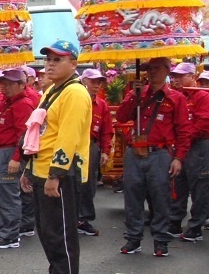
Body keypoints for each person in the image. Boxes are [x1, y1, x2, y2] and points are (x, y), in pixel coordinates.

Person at [23, 40, 92, 274]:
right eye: (48, 59)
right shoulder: (53, 90)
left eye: (57, 60)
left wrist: (56, 174)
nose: (49, 64)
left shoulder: (74, 93)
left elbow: (68, 137)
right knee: (46, 230)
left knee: (61, 233)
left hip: (60, 173)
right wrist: (30, 167)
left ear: (73, 64)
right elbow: (39, 131)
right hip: (42, 168)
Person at [115, 56, 191, 256]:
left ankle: (160, 239)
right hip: (134, 152)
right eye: (149, 69)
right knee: (132, 197)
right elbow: (122, 117)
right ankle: (133, 238)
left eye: (157, 68)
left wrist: (178, 158)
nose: (152, 72)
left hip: (160, 154)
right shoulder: (136, 93)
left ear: (167, 71)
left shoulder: (176, 98)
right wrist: (134, 96)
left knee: (161, 198)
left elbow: (184, 131)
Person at [0, 67, 34, 249]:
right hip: (1, 151)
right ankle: (8, 230)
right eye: (3, 83)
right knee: (2, 194)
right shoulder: (7, 102)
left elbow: (24, 134)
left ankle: (11, 235)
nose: (4, 87)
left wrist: (15, 158)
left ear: (22, 84)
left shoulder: (22, 104)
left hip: (8, 152)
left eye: (10, 84)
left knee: (8, 194)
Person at [168, 62, 209, 242]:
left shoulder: (202, 96)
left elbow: (203, 122)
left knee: (199, 185)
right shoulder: (177, 97)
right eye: (174, 76)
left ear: (193, 77)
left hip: (199, 145)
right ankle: (176, 221)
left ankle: (195, 226)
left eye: (181, 76)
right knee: (178, 182)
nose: (176, 79)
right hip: (182, 146)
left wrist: (183, 138)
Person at [76, 69, 113, 237]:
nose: (96, 85)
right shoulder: (74, 99)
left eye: (99, 82)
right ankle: (70, 217)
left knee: (88, 182)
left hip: (91, 146)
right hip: (72, 145)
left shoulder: (102, 104)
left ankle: (83, 218)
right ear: (83, 81)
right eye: (93, 81)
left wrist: (105, 151)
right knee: (68, 181)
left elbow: (106, 130)